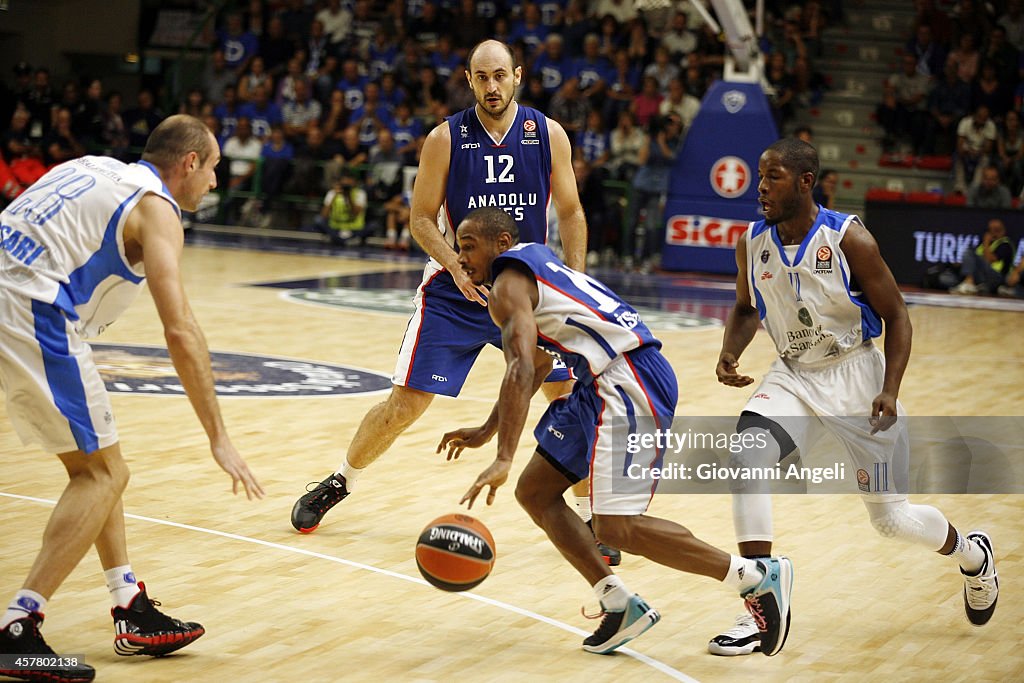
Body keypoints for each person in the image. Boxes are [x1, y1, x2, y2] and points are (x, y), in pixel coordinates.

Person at [289, 39, 613, 561]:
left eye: (500, 76)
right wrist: (455, 266)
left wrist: (572, 280)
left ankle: (592, 515)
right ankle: (339, 480)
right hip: (454, 292)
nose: (491, 86)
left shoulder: (548, 135)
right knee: (406, 405)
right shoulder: (445, 138)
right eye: (482, 77)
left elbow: (572, 213)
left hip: (530, 292)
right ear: (469, 80)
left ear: (518, 76)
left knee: (567, 400)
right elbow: (420, 217)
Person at [438, 207, 794, 656]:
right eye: (458, 245)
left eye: (468, 245)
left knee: (617, 526)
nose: (460, 255)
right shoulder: (532, 266)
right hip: (600, 381)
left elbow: (522, 365)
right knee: (535, 491)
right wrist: (491, 428)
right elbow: (542, 363)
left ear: (501, 245)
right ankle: (618, 603)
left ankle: (757, 578)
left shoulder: (506, 287)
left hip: (628, 378)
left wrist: (504, 456)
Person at [706, 138, 998, 656]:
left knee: (892, 521)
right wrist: (731, 352)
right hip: (794, 376)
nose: (761, 188)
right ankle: (760, 599)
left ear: (805, 182)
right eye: (759, 176)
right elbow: (748, 307)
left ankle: (972, 555)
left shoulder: (849, 240)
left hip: (858, 380)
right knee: (746, 458)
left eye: (772, 177)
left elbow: (898, 316)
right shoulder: (751, 242)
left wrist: (890, 389)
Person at [0, 115, 264, 682]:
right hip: (33, 309)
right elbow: (180, 329)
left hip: (17, 294)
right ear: (189, 163)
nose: (216, 182)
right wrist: (218, 436)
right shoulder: (157, 210)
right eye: (214, 168)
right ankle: (18, 623)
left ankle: (128, 605)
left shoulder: (90, 166)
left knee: (100, 465)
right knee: (104, 476)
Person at [950, 218, 1015, 295]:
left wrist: (986, 242)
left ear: (1003, 230)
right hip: (982, 276)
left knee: (969, 251)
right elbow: (975, 261)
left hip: (996, 277)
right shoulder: (982, 245)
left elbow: (989, 260)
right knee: (947, 279)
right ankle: (972, 285)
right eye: (991, 229)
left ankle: (969, 283)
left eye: (996, 229)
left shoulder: (1005, 244)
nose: (993, 232)